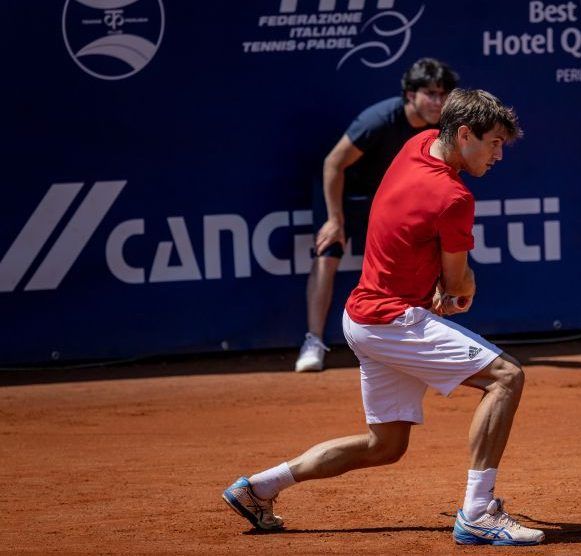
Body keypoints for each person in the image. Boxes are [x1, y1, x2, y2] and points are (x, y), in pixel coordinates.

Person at [223, 89, 544, 546]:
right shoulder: (455, 197)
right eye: (493, 143)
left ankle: (257, 488)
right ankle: (477, 513)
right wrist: (460, 290)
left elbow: (417, 241)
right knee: (506, 377)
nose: (498, 155)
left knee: (385, 446)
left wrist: (439, 287)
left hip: (361, 318)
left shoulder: (419, 143)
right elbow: (457, 284)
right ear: (464, 134)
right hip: (392, 321)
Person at [295, 57, 459, 372]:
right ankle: (313, 341)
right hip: (347, 193)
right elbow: (333, 163)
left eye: (443, 94)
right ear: (410, 94)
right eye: (430, 93)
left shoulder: (441, 127)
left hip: (390, 200)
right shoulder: (380, 120)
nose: (438, 102)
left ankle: (413, 338)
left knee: (421, 256)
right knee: (327, 255)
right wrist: (335, 219)